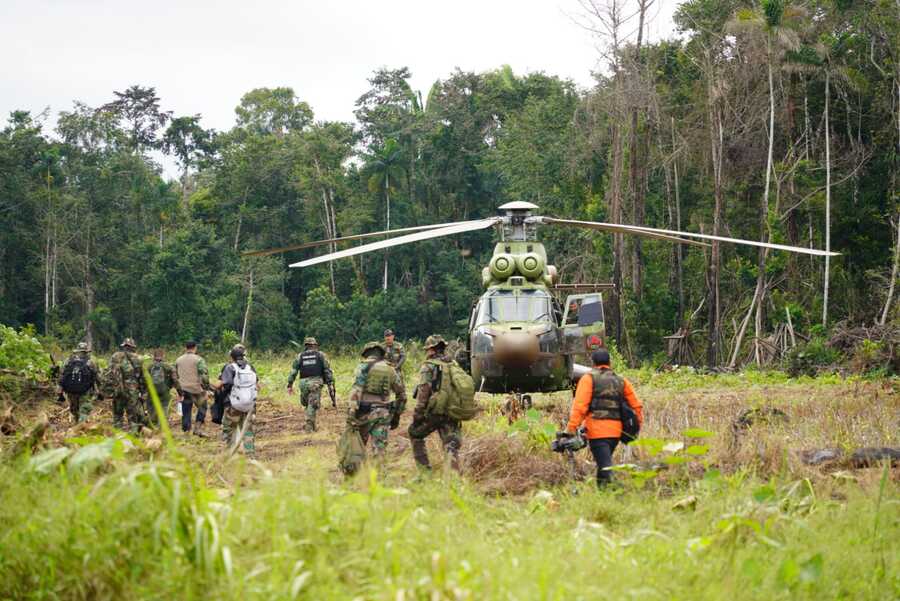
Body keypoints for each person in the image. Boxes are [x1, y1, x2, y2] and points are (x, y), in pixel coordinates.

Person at [563, 348, 643, 487]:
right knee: (603, 466)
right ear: (609, 362)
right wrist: (636, 427)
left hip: (597, 432)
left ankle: (620, 491)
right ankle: (603, 493)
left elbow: (580, 407)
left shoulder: (588, 379)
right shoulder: (621, 380)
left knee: (605, 467)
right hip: (616, 433)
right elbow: (636, 406)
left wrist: (571, 428)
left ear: (593, 363)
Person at [408, 335, 462, 471]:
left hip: (434, 413)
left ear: (432, 349)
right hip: (452, 411)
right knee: (450, 443)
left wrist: (418, 415)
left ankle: (424, 472)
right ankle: (454, 476)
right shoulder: (453, 364)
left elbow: (423, 392)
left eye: (427, 349)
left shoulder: (428, 366)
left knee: (414, 433)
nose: (426, 352)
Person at [348, 341, 406, 462]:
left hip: (363, 412)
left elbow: (355, 391)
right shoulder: (390, 369)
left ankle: (357, 472)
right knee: (380, 449)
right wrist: (397, 415)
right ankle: (379, 472)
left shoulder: (362, 367)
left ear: (366, 353)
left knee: (357, 448)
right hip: (382, 412)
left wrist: (352, 413)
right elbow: (402, 395)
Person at [218, 344, 259, 456]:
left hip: (233, 405)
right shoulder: (250, 367)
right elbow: (256, 382)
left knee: (229, 430)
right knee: (248, 431)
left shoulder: (230, 367)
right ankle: (250, 454)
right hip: (249, 405)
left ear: (231, 357)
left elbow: (227, 383)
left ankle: (229, 454)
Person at [287, 337, 335, 432]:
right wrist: (330, 382)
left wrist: (290, 384)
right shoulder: (321, 355)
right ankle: (309, 427)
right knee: (312, 405)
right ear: (315, 345)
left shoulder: (300, 356)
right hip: (315, 382)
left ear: (306, 346)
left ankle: (312, 426)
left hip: (303, 383)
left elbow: (293, 371)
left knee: (307, 405)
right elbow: (327, 370)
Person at [109, 337, 148, 434]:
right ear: (133, 347)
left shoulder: (115, 356)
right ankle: (133, 435)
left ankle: (117, 435)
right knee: (133, 415)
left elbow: (110, 373)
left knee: (117, 415)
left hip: (118, 390)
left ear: (123, 346)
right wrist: (143, 393)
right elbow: (143, 378)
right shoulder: (138, 358)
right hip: (132, 391)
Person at [175, 340, 211, 436]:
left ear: (185, 348)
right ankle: (197, 428)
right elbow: (204, 375)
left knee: (186, 409)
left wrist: (178, 389)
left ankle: (186, 431)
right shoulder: (199, 360)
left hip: (183, 389)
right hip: (196, 389)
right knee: (203, 407)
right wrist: (206, 388)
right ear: (195, 348)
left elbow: (175, 375)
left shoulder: (178, 360)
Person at [58, 342, 99, 423]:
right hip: (85, 390)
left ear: (77, 351)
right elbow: (96, 376)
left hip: (70, 389)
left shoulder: (68, 361)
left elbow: (62, 375)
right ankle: (81, 425)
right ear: (86, 351)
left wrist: (60, 388)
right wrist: (97, 389)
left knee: (74, 409)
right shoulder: (91, 362)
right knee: (84, 409)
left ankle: (76, 424)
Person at [147, 348, 179, 426]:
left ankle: (152, 424)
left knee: (152, 406)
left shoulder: (148, 367)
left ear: (154, 356)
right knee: (164, 406)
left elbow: (143, 379)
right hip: (164, 390)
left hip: (151, 391)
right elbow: (175, 379)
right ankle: (161, 424)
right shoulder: (169, 366)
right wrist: (180, 392)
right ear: (163, 356)